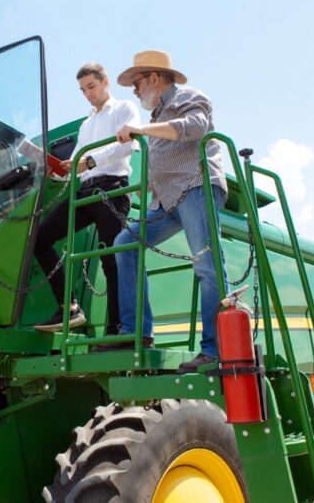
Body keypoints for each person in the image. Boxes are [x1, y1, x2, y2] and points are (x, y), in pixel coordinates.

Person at [96, 50, 229, 374]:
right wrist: (151, 185)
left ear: (154, 78)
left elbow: (193, 128)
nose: (135, 91)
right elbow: (165, 157)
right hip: (167, 200)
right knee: (125, 243)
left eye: (136, 83)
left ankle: (215, 352)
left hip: (196, 187)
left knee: (207, 266)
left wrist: (140, 131)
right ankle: (136, 332)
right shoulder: (156, 118)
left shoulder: (188, 97)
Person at [33, 63, 141, 334]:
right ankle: (69, 308)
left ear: (105, 82)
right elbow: (76, 167)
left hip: (112, 191)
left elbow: (128, 144)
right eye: (83, 90)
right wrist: (56, 173)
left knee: (110, 260)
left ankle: (116, 331)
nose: (88, 94)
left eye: (91, 86)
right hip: (83, 192)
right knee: (40, 238)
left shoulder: (124, 109)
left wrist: (90, 161)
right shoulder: (86, 123)